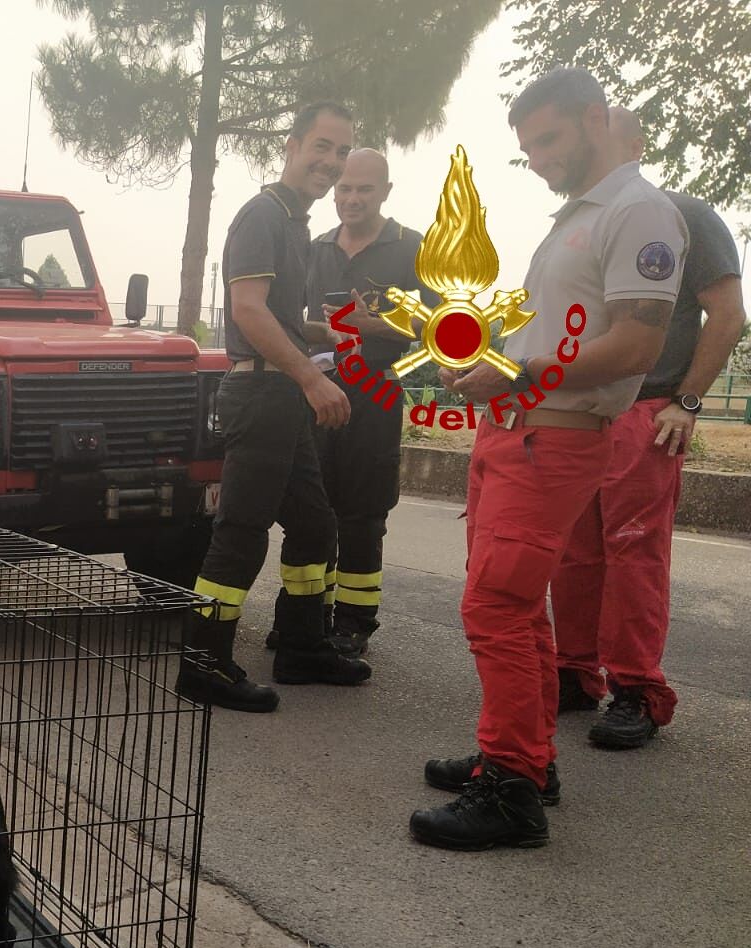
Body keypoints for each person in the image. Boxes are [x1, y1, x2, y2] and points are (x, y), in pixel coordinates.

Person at [412, 69, 687, 851]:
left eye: (550, 139)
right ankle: (525, 758)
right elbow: (561, 340)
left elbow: (637, 341)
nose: (537, 157)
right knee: (519, 605)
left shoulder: (640, 213)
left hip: (554, 439)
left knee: (495, 605)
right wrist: (500, 369)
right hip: (522, 432)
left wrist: (525, 374)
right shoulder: (581, 217)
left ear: (596, 119)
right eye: (527, 146)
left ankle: (512, 788)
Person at [550, 107, 745, 748]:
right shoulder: (585, 222)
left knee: (633, 550)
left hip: (646, 409)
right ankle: (576, 674)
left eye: (603, 132)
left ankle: (636, 687)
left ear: (635, 143)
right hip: (582, 409)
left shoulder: (683, 216)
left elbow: (727, 314)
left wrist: (685, 403)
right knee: (573, 552)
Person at [177, 101, 372, 714]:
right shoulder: (262, 215)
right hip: (263, 393)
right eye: (322, 146)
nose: (331, 162)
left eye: (341, 152)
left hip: (280, 393)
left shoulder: (293, 222)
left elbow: (281, 319)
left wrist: (326, 334)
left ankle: (300, 644)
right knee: (241, 532)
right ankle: (202, 661)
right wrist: (312, 381)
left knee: (316, 526)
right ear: (291, 145)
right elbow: (249, 313)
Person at [286, 148, 430, 654]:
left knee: (363, 512)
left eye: (364, 189)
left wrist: (358, 324)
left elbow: (432, 326)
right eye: (344, 188)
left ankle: (353, 622)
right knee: (309, 507)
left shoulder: (412, 247)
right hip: (317, 387)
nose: (351, 198)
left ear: (386, 191)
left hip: (375, 389)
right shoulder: (313, 246)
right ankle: (305, 616)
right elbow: (292, 319)